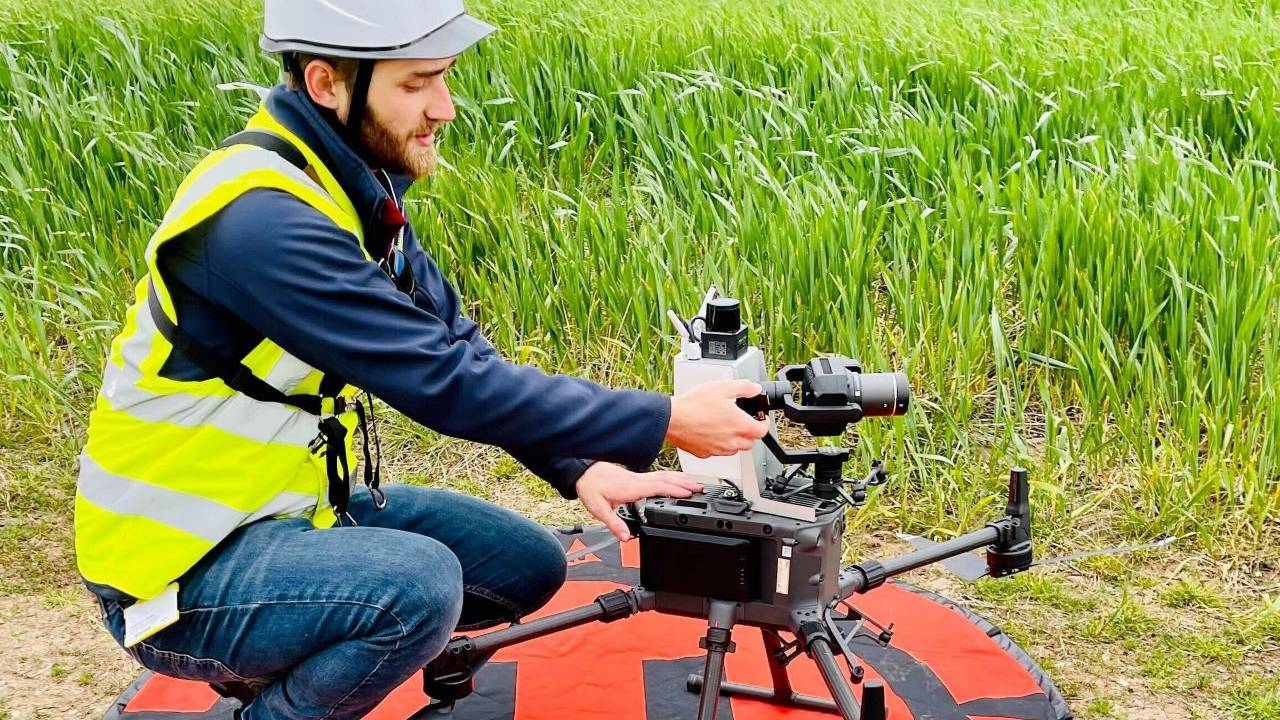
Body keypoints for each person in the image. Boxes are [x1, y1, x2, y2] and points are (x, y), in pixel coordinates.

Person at [73, 0, 769, 717]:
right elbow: (443, 383)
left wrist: (580, 466)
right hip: (178, 572)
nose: (446, 107)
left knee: (524, 566)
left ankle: (277, 658)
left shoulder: (344, 188)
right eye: (417, 83)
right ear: (326, 84)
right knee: (420, 588)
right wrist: (667, 419)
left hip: (286, 514)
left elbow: (456, 344)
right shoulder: (261, 223)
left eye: (445, 77)